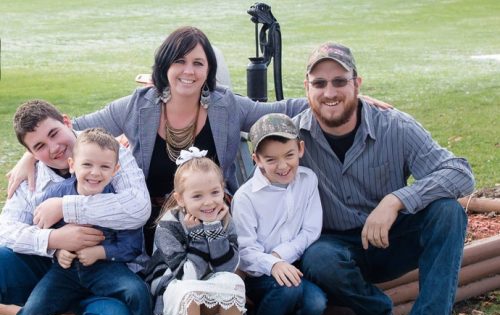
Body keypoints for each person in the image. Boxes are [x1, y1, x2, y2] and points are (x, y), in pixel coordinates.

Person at [6, 26, 392, 256]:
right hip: (144, 225)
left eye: (198, 63)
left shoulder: (225, 107)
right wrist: (29, 159)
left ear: (208, 70)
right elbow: (72, 133)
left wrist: (342, 97)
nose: (188, 71)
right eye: (179, 62)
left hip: (211, 217)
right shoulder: (137, 106)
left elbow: (285, 107)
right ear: (165, 66)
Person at [293, 42, 475, 315]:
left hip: (392, 240)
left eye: (340, 81)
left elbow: (460, 173)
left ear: (357, 84)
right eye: (320, 83)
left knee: (447, 213)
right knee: (319, 258)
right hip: (336, 251)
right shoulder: (292, 138)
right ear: (307, 88)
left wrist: (395, 201)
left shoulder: (395, 126)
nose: (329, 93)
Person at [0, 100, 151, 315]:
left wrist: (64, 207)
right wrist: (55, 241)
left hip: (110, 269)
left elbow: (138, 208)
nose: (53, 148)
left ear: (66, 121)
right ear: (30, 153)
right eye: (39, 147)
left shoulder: (108, 153)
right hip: (55, 270)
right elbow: (6, 230)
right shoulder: (31, 174)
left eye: (54, 133)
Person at [232, 113, 327, 315]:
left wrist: (280, 255)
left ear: (300, 149)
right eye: (271, 160)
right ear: (256, 160)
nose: (283, 166)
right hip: (259, 273)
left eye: (289, 155)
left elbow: (311, 230)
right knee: (289, 290)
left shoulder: (308, 180)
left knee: (316, 303)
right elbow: (245, 252)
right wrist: (273, 263)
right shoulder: (246, 197)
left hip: (293, 266)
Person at [143, 147, 245, 315]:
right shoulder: (168, 226)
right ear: (180, 199)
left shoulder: (224, 219)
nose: (208, 202)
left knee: (234, 282)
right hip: (174, 289)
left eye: (215, 192)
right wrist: (197, 235)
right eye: (197, 196)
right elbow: (186, 276)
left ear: (223, 190)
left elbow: (227, 268)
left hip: (210, 286)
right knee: (189, 291)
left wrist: (214, 228)